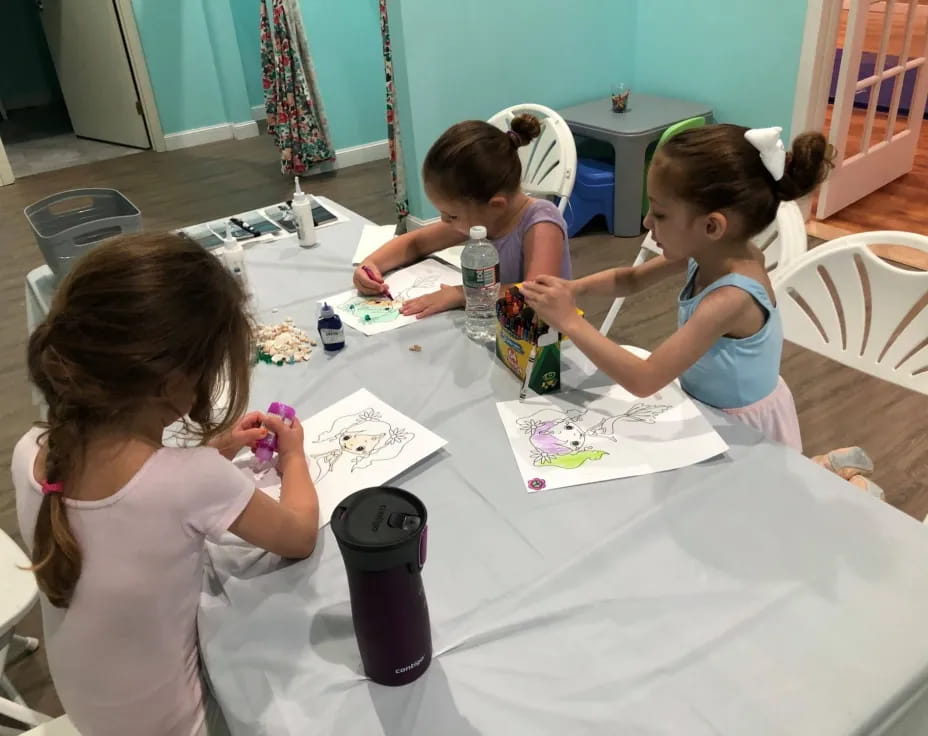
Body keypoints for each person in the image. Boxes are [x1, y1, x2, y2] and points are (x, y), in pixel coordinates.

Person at [12, 233, 319, 736]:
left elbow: (136, 501)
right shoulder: (192, 481)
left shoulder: (32, 452)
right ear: (173, 380)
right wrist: (293, 455)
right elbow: (299, 534)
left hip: (92, 715)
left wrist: (212, 450)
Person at [521, 125, 834, 451]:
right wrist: (572, 288)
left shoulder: (731, 299)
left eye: (659, 213)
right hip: (706, 409)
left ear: (712, 226)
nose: (646, 223)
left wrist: (570, 320)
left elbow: (645, 378)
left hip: (744, 432)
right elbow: (632, 279)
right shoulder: (710, 252)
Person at [353, 114, 572, 318]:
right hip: (497, 326)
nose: (444, 221)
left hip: (544, 342)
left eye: (451, 216)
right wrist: (371, 264)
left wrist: (462, 294)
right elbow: (417, 243)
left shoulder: (541, 222)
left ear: (495, 205)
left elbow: (536, 296)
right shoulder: (482, 216)